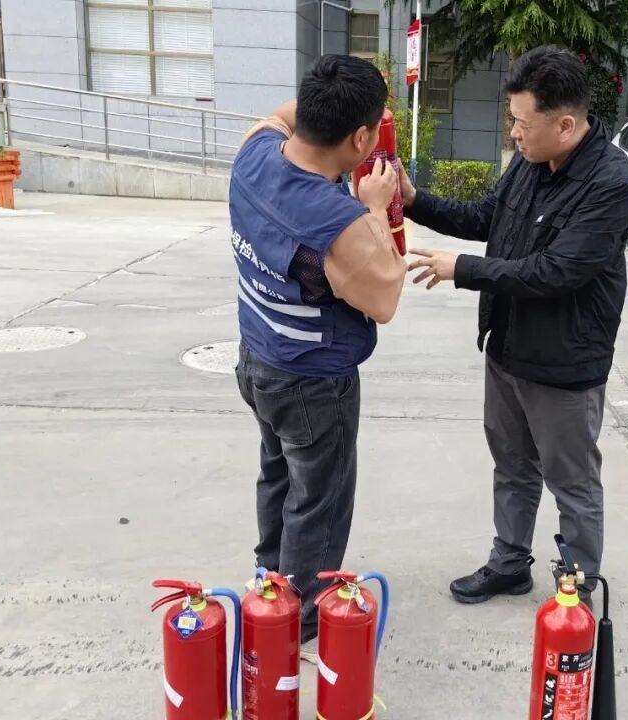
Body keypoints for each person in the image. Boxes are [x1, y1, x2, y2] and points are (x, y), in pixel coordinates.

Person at [404, 46, 628, 604]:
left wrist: (463, 270)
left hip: (563, 364)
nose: (513, 133)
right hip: (508, 349)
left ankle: (576, 591)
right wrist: (414, 201)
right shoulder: (531, 162)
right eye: (511, 120)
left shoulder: (611, 184)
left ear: (565, 124)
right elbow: (486, 217)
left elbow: (556, 271)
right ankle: (508, 563)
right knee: (511, 466)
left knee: (572, 481)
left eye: (521, 123)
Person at [230, 55, 407, 643]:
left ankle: (270, 579)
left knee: (277, 474)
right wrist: (375, 205)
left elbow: (283, 117)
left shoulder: (255, 152)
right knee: (319, 500)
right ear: (360, 138)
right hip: (312, 382)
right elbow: (384, 296)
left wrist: (341, 102)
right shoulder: (340, 222)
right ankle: (301, 615)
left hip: (257, 359)